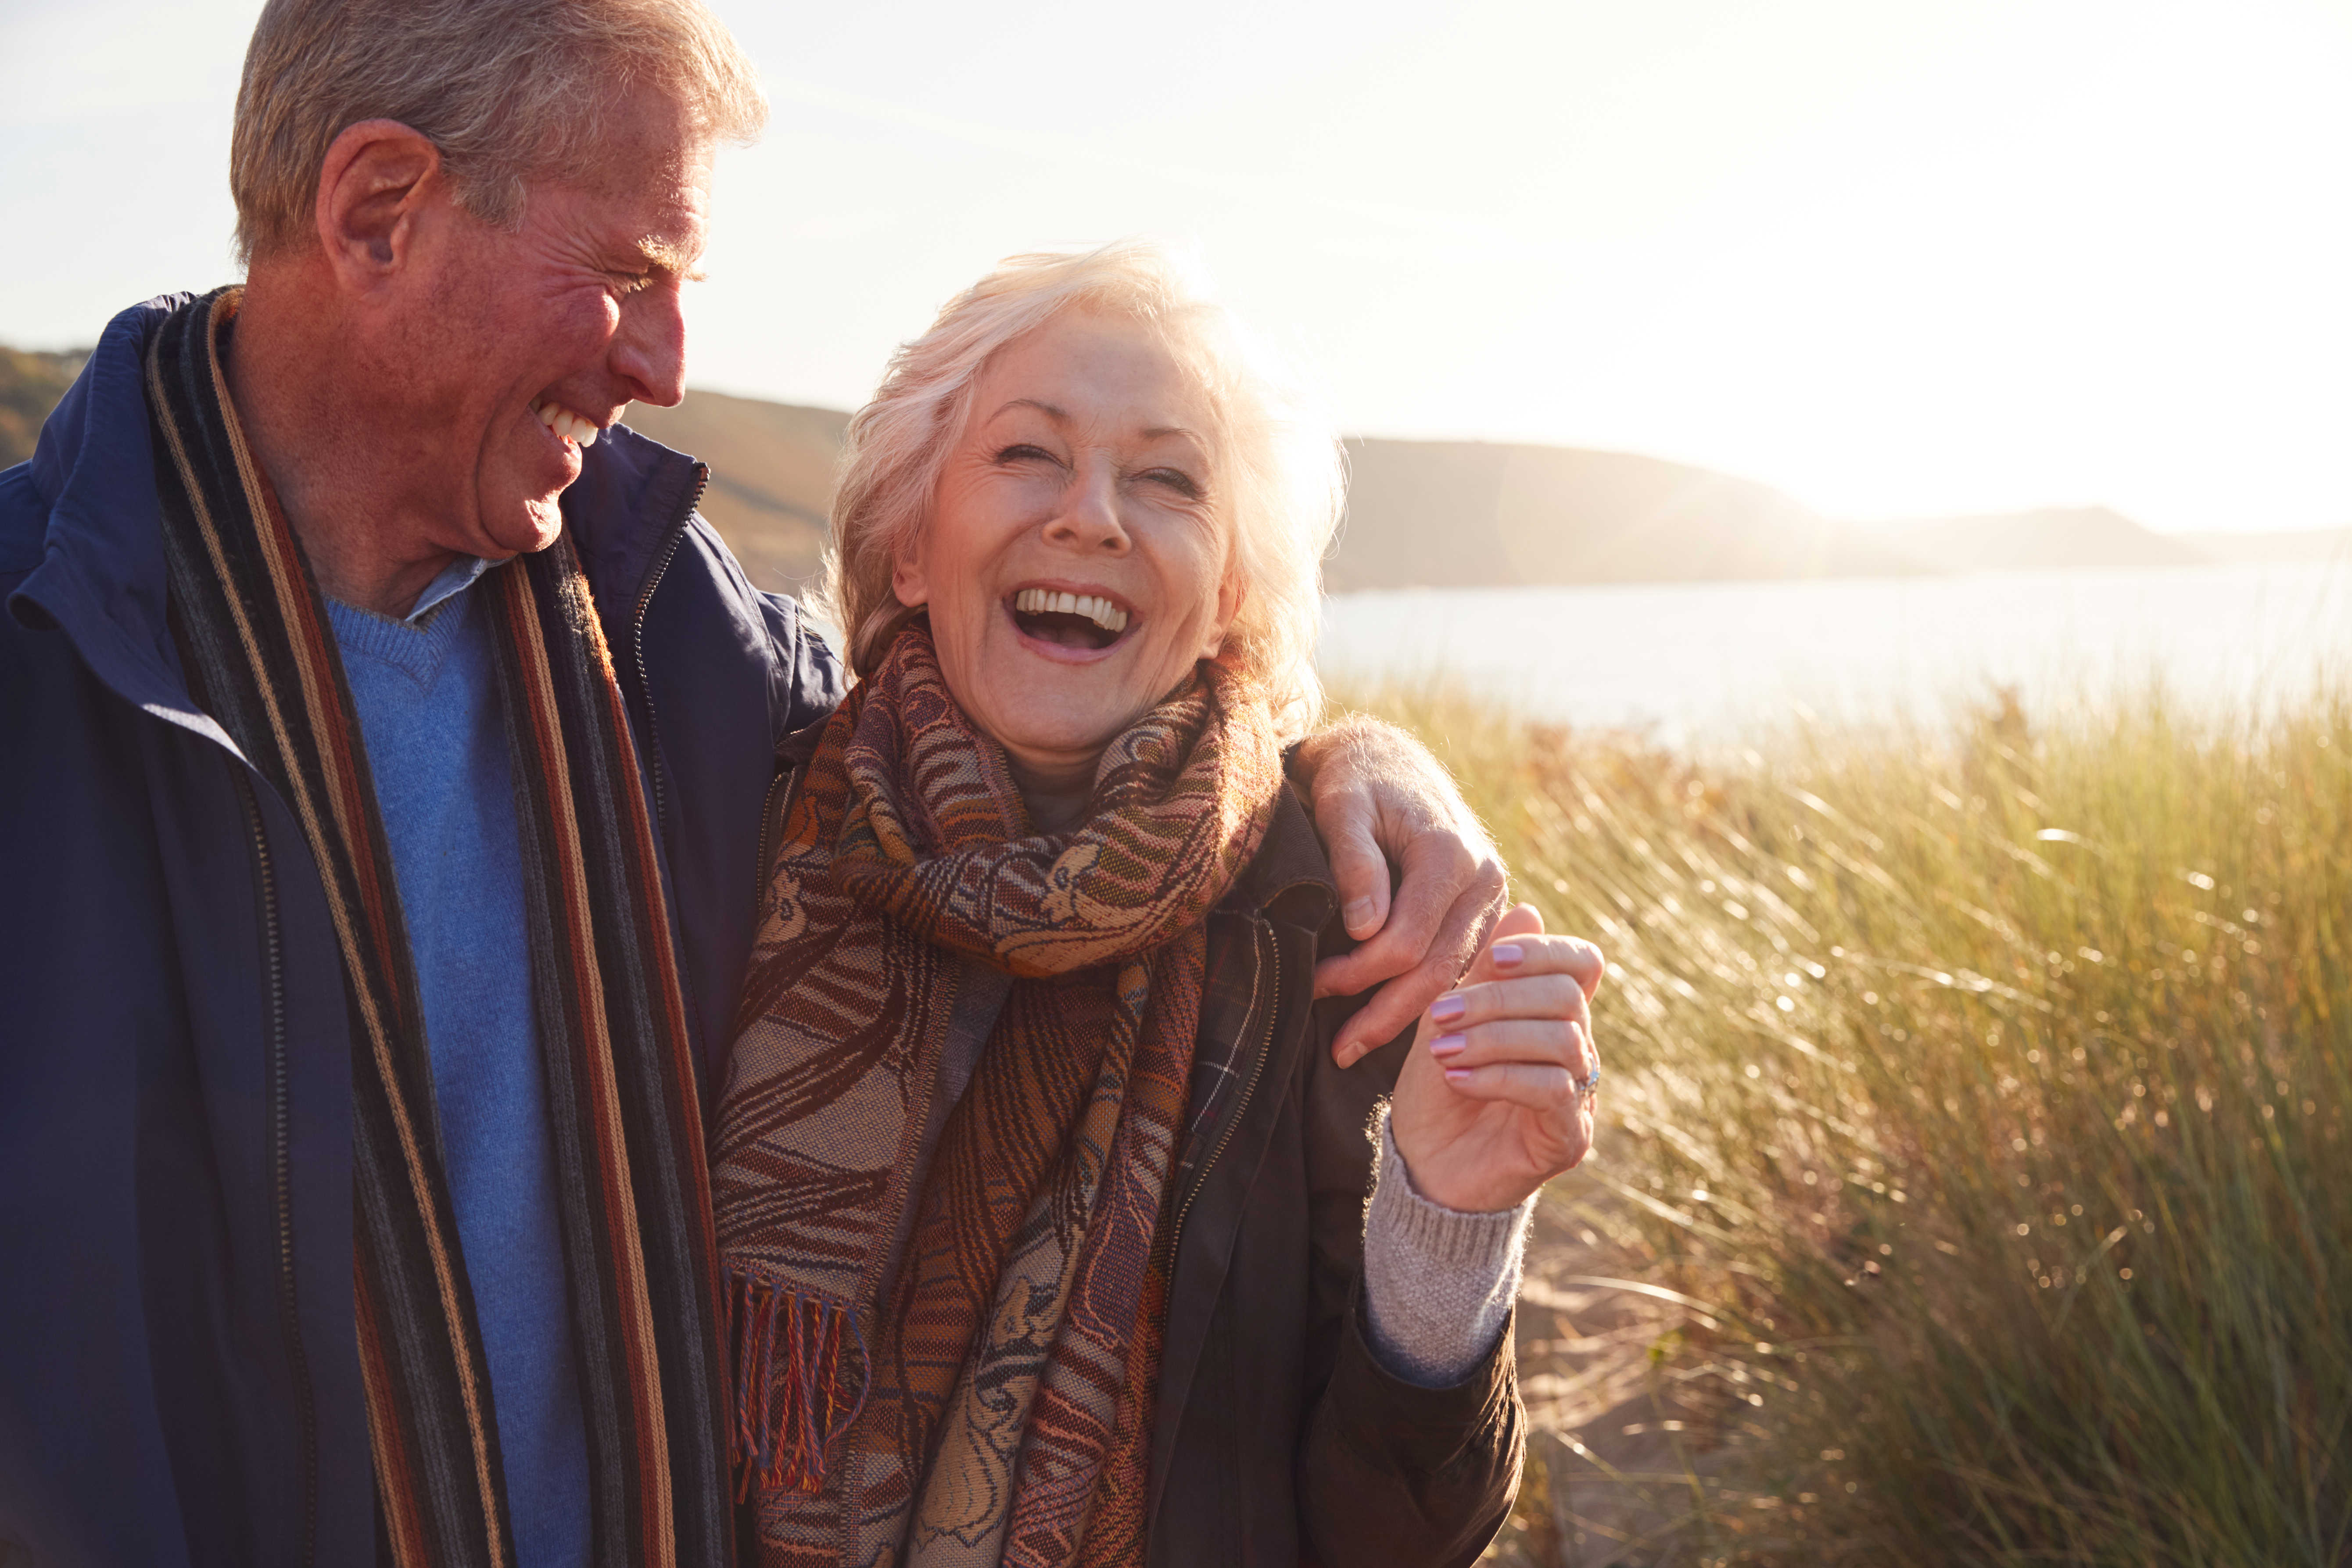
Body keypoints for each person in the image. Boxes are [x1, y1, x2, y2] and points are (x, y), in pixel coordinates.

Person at [0, 3, 1516, 1565]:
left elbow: (1022, 750)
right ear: (381, 209)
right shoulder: (38, 673)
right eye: (629, 276)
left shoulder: (679, 643)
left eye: (1165, 478)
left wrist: (1364, 768)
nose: (666, 364)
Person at [711, 243, 1603, 1567]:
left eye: (1168, 479)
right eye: (1028, 455)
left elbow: (1398, 1541)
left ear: (1230, 598)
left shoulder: (1346, 920)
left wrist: (1449, 1228)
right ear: (909, 546)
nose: (1095, 517)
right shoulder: (744, 836)